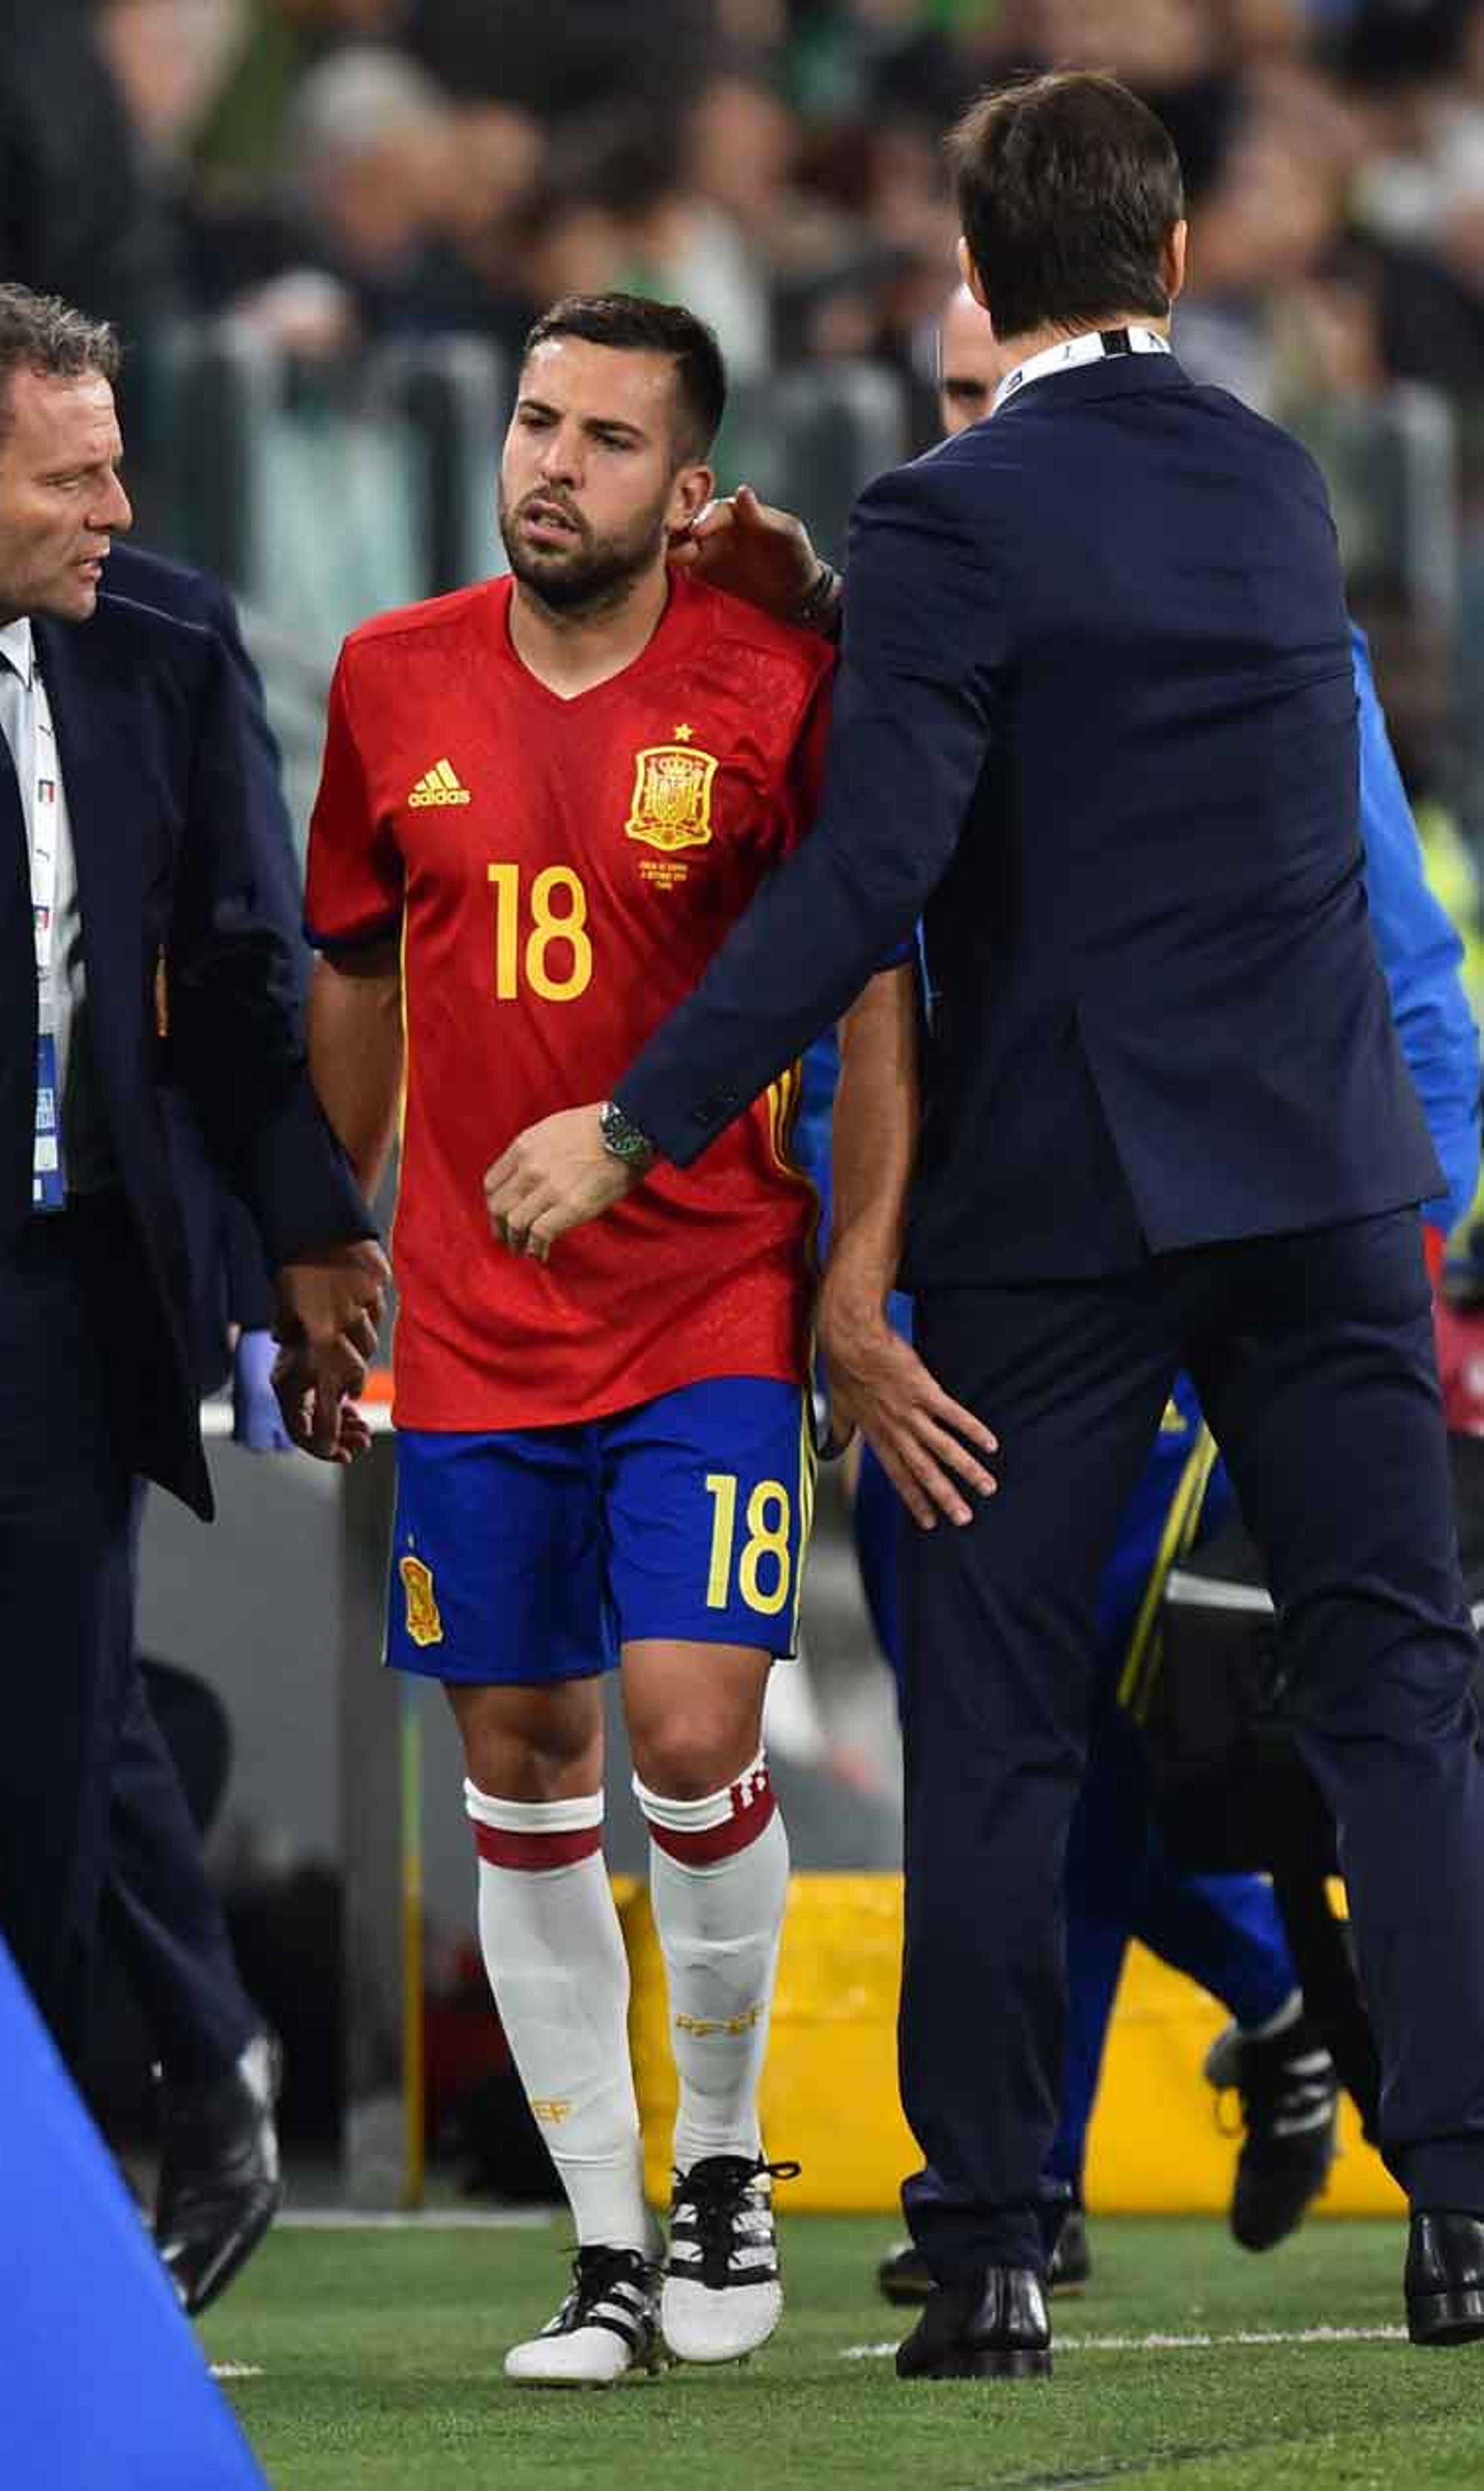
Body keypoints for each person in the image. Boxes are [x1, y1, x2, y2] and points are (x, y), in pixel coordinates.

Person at [484, 73, 1484, 2377]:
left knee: (1009, 1718)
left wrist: (637, 1117)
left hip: (1069, 1205)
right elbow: (1111, 702)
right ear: (1175, 257)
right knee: (1396, 1692)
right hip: (1332, 1180)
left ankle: (1001, 2238)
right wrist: (850, 604)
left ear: (980, 257)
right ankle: (1461, 2211)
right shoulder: (1276, 475)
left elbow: (877, 866)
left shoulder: (954, 507)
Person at [712, 283, 1481, 2300]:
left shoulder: (1006, 565)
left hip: (1079, 1230)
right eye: (946, 399)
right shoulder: (1216, 545)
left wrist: (1434, 1221)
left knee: (1049, 1728)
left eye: (991, 389)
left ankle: (1004, 2219)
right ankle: (1298, 2163)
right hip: (1177, 1212)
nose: (974, 427)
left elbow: (1396, 936)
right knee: (1134, 1726)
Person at [290, 291, 851, 2386]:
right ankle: (606, 2246)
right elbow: (357, 973)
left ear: (690, 488)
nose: (552, 463)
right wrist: (321, 1252)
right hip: (476, 1326)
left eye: (610, 440)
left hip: (709, 1291)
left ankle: (721, 2163)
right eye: (537, 420)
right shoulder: (385, 677)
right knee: (521, 1772)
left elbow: (857, 985)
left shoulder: (774, 690)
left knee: (696, 1735)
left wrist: (858, 1276)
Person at [0, 281, 381, 2103]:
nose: (116, 515)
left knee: (31, 1843)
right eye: (69, 481)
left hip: (52, 1326)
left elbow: (240, 981)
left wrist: (310, 1236)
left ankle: (5, 2302)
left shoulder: (160, 643)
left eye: (118, 468)